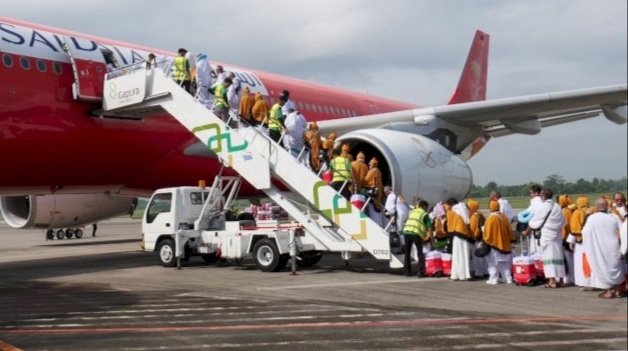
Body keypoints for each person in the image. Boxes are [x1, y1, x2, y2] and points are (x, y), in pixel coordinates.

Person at [583, 197, 626, 298]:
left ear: (596, 206)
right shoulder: (613, 217)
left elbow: (585, 233)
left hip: (600, 248)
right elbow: (623, 229)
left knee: (603, 267)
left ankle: (609, 291)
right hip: (613, 246)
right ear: (607, 206)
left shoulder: (591, 218)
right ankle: (618, 291)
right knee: (616, 267)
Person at [529, 188, 566, 289]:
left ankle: (552, 281)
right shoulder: (557, 206)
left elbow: (535, 221)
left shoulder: (543, 206)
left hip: (546, 235)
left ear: (543, 196)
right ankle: (561, 280)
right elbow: (563, 222)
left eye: (541, 195)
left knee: (549, 258)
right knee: (558, 257)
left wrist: (529, 226)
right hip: (556, 235)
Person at [483, 200, 514, 285]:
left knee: (493, 263)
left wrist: (485, 238)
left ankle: (493, 279)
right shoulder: (504, 217)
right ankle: (508, 278)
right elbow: (510, 230)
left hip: (495, 244)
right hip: (505, 244)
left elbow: (487, 233)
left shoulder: (491, 218)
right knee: (504, 263)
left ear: (491, 207)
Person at [401, 198, 432, 277]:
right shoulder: (424, 214)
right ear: (424, 207)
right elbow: (429, 227)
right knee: (419, 252)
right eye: (427, 208)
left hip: (406, 232)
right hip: (415, 233)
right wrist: (430, 238)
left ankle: (407, 272)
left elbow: (406, 221)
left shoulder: (412, 211)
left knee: (407, 253)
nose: (427, 209)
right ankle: (420, 272)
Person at [568, 195, 593, 289]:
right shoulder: (593, 211)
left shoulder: (577, 212)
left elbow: (574, 229)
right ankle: (592, 282)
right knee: (590, 262)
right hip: (591, 241)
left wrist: (571, 241)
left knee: (580, 263)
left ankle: (584, 282)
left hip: (580, 242)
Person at [444, 198, 473, 281]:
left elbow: (449, 227)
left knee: (457, 255)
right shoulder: (463, 208)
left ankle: (458, 274)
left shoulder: (452, 212)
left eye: (445, 205)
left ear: (450, 204)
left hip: (457, 234)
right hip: (464, 234)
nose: (445, 207)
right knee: (464, 254)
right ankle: (465, 274)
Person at [467, 199, 488, 278]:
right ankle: (486, 271)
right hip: (482, 238)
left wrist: (471, 237)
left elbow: (473, 229)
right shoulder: (480, 214)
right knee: (484, 257)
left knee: (477, 257)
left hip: (476, 239)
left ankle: (479, 273)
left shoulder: (473, 217)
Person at [521, 184, 543, 254]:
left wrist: (527, 231)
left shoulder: (535, 203)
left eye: (530, 193)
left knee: (536, 254)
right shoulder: (544, 201)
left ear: (536, 193)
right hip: (544, 232)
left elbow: (533, 221)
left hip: (537, 233)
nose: (530, 195)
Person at [558, 194, 574, 286]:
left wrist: (563, 238)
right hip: (569, 237)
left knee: (568, 260)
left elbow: (564, 227)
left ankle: (569, 278)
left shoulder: (565, 211)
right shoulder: (569, 210)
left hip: (565, 238)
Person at [364, 157, 384, 226]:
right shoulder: (378, 171)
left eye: (370, 165)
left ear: (373, 165)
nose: (369, 166)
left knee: (373, 217)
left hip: (372, 196)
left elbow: (365, 180)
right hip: (377, 197)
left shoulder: (373, 171)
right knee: (377, 217)